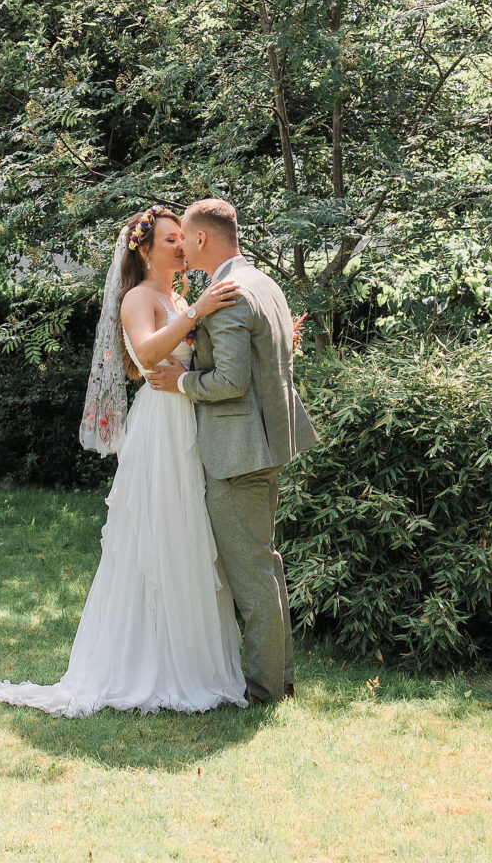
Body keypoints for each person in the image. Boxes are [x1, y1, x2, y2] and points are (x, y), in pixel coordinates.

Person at [0, 207, 249, 717]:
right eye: (171, 240)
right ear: (144, 249)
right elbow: (147, 353)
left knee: (190, 535)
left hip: (190, 418)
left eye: (182, 239)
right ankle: (144, 662)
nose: (182, 247)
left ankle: (192, 660)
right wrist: (197, 311)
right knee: (158, 532)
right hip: (160, 427)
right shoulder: (138, 298)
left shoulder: (178, 298)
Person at [147, 198, 319, 704]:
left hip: (239, 453)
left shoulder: (228, 294)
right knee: (264, 564)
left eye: (185, 237)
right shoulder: (263, 282)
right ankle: (280, 676)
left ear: (202, 238)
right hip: (268, 443)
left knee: (252, 575)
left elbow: (230, 381)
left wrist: (182, 381)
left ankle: (266, 689)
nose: (183, 246)